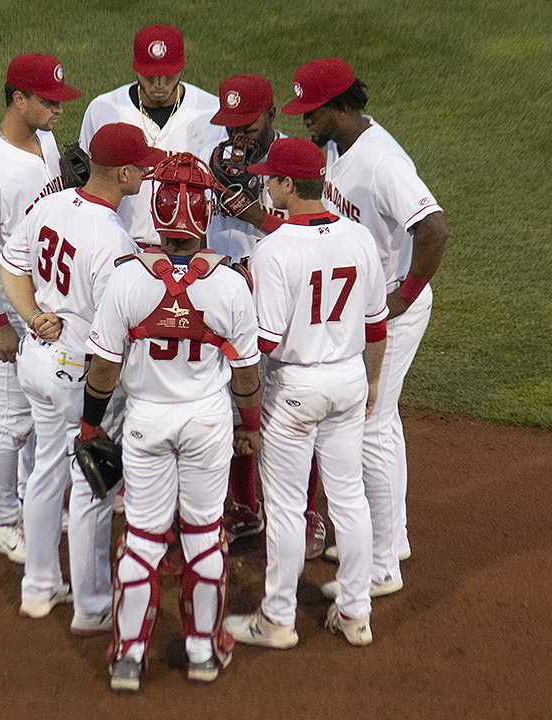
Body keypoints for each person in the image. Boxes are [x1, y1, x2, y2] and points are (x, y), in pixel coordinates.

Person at [80, 152, 261, 692]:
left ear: (157, 215)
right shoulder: (230, 284)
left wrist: (90, 426)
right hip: (207, 425)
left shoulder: (127, 280)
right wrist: (248, 424)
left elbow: (104, 368)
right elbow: (247, 376)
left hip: (145, 424)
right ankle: (203, 650)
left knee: (142, 537)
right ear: (205, 212)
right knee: (206, 537)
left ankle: (128, 658)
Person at [280, 58, 448, 597]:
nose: (306, 120)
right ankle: (390, 537)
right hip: (365, 305)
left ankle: (381, 567)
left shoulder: (382, 163)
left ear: (344, 106)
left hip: (390, 310)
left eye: (314, 110)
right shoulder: (339, 147)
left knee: (372, 422)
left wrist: (405, 294)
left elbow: (434, 229)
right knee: (383, 418)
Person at [0, 123, 166, 633]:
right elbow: (114, 332)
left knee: (47, 470)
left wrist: (30, 315)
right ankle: (92, 606)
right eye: (141, 166)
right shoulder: (111, 239)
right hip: (78, 376)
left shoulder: (52, 204)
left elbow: (11, 266)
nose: (147, 173)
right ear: (121, 172)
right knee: (92, 484)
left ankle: (39, 586)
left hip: (37, 362)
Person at [224, 137, 388, 649]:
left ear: (290, 185)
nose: (265, 183)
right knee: (349, 498)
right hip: (349, 380)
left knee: (288, 508)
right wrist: (374, 381)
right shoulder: (360, 237)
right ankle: (356, 613)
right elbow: (377, 325)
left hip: (296, 388)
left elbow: (264, 344)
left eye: (271, 177)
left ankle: (277, 620)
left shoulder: (274, 250)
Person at [0, 53, 81, 564]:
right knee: (10, 420)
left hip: (48, 303)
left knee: (43, 410)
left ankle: (34, 498)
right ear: (19, 99)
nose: (58, 109)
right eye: (49, 101)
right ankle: (3, 520)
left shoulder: (47, 141)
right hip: (13, 311)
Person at [205, 74, 326, 558]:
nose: (239, 135)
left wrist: (256, 215)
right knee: (239, 405)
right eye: (231, 124)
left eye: (248, 123)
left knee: (295, 410)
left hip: (287, 299)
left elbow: (315, 228)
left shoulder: (298, 163)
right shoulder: (218, 160)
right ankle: (244, 507)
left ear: (272, 113)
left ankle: (308, 513)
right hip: (233, 298)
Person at [78, 24, 226, 249]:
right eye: (150, 76)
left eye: (168, 75)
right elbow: (89, 179)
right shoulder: (103, 108)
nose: (160, 84)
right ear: (135, 66)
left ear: (183, 66)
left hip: (186, 252)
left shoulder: (211, 112)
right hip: (116, 243)